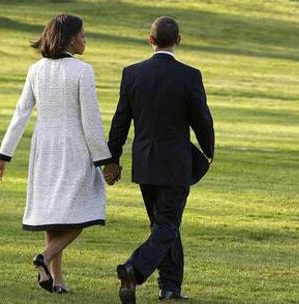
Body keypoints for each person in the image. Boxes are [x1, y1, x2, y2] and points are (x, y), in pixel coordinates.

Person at [0, 14, 117, 294]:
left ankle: (57, 280)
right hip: (74, 149)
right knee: (85, 211)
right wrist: (105, 160)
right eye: (84, 35)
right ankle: (44, 258)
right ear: (71, 39)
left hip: (44, 149)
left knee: (54, 214)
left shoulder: (36, 69)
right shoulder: (83, 71)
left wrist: (4, 154)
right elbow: (91, 121)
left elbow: (20, 114)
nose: (86, 40)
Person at [105, 16, 215, 303]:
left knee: (164, 225)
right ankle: (134, 268)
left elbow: (120, 121)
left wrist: (112, 158)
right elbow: (202, 120)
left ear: (150, 39)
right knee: (167, 225)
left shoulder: (132, 74)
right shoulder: (190, 76)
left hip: (145, 163)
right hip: (175, 163)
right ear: (178, 40)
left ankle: (170, 287)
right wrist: (208, 151)